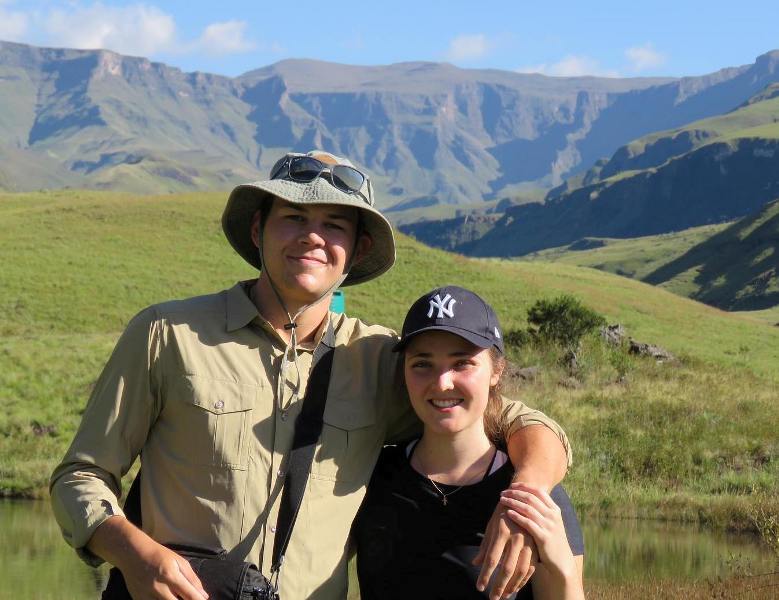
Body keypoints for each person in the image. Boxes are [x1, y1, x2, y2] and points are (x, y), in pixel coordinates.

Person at [49, 151, 572, 600]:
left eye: (334, 224)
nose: (312, 238)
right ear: (258, 229)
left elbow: (517, 420)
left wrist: (526, 496)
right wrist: (134, 555)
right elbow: (81, 476)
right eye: (293, 217)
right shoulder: (167, 334)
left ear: (357, 249)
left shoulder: (379, 358)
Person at [354, 286, 584, 599]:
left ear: (496, 370)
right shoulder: (373, 475)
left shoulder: (534, 491)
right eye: (422, 364)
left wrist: (561, 569)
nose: (442, 382)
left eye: (462, 363)